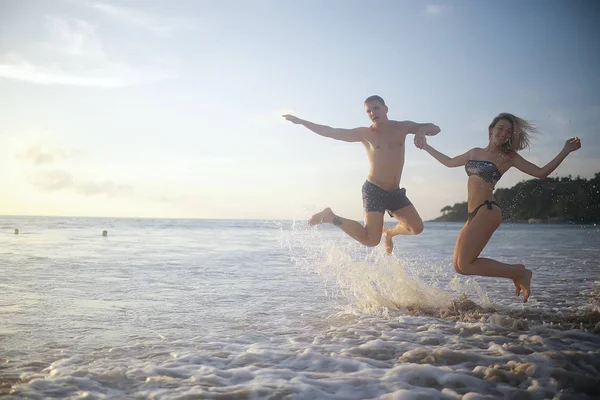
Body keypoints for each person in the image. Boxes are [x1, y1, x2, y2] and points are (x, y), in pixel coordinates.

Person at [415, 112, 581, 302]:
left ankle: (519, 273)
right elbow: (449, 162)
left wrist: (565, 150)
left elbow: (541, 172)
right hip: (473, 214)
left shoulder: (508, 156)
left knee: (466, 264)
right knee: (459, 267)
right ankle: (517, 271)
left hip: (488, 210)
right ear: (491, 129)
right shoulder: (474, 152)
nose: (503, 133)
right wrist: (426, 147)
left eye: (508, 131)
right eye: (500, 128)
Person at [283, 95, 440, 254]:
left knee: (417, 228)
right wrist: (302, 122)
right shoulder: (365, 134)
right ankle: (330, 217)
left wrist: (421, 130)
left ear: (386, 109)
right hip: (374, 190)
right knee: (371, 240)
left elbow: (435, 128)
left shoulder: (403, 127)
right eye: (368, 111)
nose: (372, 113)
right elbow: (331, 132)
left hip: (394, 192)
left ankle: (389, 233)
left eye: (376, 108)